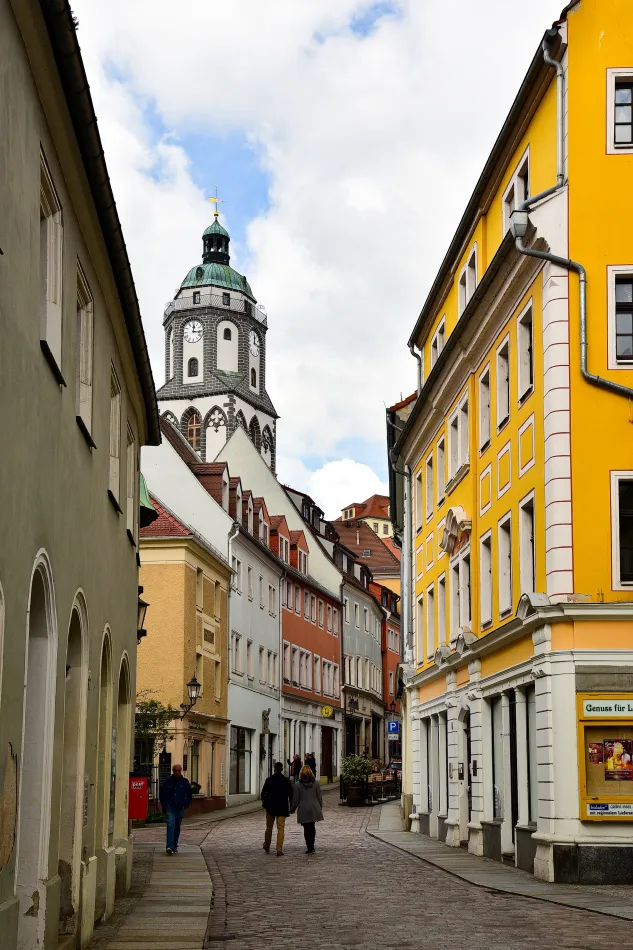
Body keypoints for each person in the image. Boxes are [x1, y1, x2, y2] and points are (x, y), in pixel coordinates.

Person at [261, 762, 293, 856]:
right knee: (281, 829)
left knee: (269, 828)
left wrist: (265, 804)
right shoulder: (286, 781)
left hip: (270, 808)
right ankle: (279, 849)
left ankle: (267, 845)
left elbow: (263, 794)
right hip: (282, 808)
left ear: (274, 769)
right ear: (281, 769)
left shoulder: (269, 780)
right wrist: (291, 806)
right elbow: (291, 795)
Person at [159, 764, 192, 855]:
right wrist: (164, 805)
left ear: (181, 771)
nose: (177, 772)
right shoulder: (168, 781)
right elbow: (162, 794)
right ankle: (169, 846)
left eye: (179, 771)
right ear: (173, 771)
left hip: (180, 808)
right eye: (175, 771)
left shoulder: (185, 782)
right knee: (170, 825)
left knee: (177, 827)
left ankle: (174, 845)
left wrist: (186, 804)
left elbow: (189, 794)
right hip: (170, 807)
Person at [291, 765, 323, 854]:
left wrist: (292, 809)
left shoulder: (297, 785)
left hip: (303, 808)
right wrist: (319, 808)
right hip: (313, 807)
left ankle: (309, 847)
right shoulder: (316, 783)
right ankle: (312, 846)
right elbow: (319, 797)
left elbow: (296, 800)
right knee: (312, 827)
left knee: (306, 828)